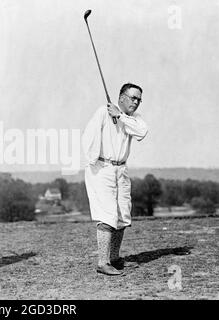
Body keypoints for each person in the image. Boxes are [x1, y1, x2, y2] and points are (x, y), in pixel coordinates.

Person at [81, 83, 148, 276]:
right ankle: (103, 262)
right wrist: (95, 163)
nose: (136, 102)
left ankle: (115, 258)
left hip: (121, 169)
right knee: (107, 215)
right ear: (121, 97)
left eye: (139, 99)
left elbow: (142, 132)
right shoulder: (103, 111)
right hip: (102, 168)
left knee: (122, 215)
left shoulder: (134, 119)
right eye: (132, 98)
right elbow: (88, 138)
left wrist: (120, 116)